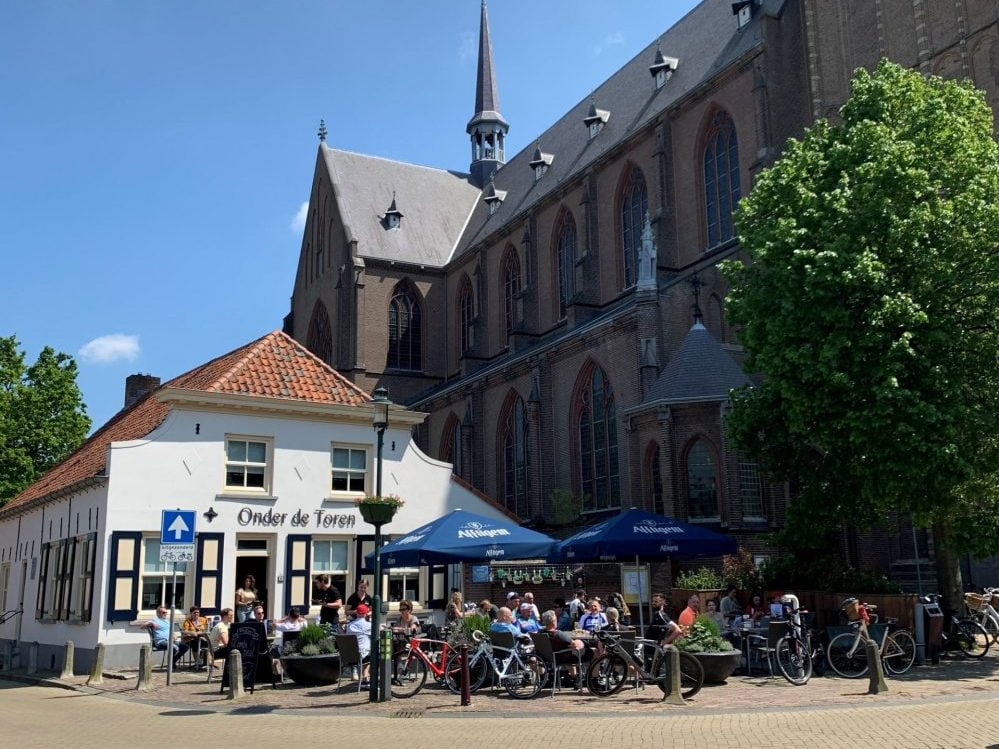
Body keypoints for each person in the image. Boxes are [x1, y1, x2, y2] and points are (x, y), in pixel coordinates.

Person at [541, 610, 589, 682]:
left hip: (547, 658)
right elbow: (574, 644)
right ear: (553, 621)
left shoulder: (541, 632)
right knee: (588, 651)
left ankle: (574, 678)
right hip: (561, 658)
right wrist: (580, 642)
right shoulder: (558, 634)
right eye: (556, 619)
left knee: (570, 649)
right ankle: (579, 678)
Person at [346, 603, 372, 684]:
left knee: (364, 651)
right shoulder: (369, 625)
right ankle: (365, 677)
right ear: (365, 614)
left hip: (350, 657)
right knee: (373, 654)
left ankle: (364, 678)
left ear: (357, 613)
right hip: (363, 656)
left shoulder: (349, 626)